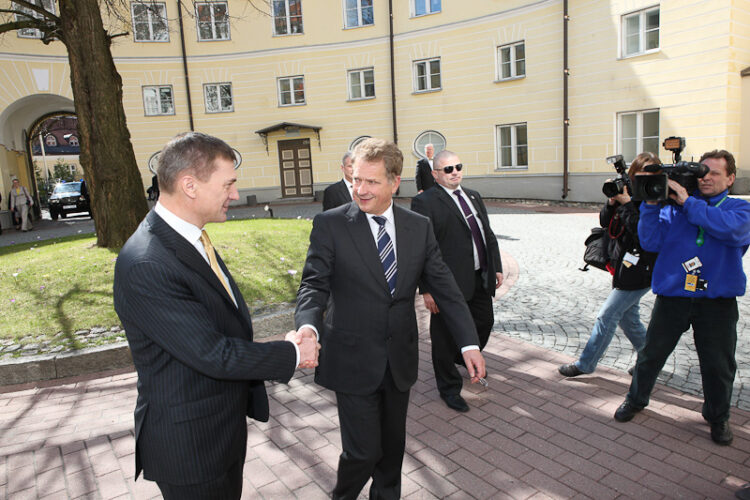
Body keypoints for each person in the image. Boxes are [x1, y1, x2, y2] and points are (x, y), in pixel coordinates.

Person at [113, 132, 320, 499]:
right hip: (190, 449)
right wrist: (291, 353)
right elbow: (213, 353)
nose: (236, 194)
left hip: (216, 433)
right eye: (228, 184)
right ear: (189, 185)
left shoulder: (188, 237)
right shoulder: (148, 262)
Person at [295, 138, 486, 500]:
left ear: (395, 182)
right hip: (351, 358)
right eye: (355, 180)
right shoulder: (331, 225)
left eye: (371, 182)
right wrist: (307, 326)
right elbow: (313, 284)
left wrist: (469, 342)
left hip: (398, 358)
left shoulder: (418, 226)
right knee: (363, 451)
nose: (360, 190)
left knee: (392, 451)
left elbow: (445, 287)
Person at [613, 149, 750, 447]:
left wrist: (688, 202)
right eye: (703, 172)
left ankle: (718, 416)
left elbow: (732, 231)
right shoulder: (672, 207)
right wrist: (650, 204)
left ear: (730, 178)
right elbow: (650, 241)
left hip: (717, 302)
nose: (707, 178)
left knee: (718, 365)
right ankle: (636, 399)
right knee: (650, 356)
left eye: (715, 172)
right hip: (674, 296)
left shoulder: (739, 210)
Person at [411, 150, 503, 412]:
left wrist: (494, 265)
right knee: (443, 338)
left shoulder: (473, 195)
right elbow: (421, 249)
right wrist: (427, 289)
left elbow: (487, 233)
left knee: (484, 322)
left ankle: (463, 354)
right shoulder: (426, 202)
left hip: (479, 275)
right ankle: (449, 388)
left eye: (458, 167)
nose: (455, 173)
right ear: (435, 174)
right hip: (447, 284)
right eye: (448, 169)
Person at [559, 152, 660, 377]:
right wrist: (612, 201)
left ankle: (586, 364)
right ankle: (650, 360)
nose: (643, 178)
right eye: (639, 173)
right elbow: (606, 222)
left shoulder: (656, 196)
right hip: (624, 266)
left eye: (650, 173)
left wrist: (626, 205)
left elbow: (643, 234)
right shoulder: (628, 192)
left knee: (608, 315)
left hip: (642, 268)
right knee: (628, 317)